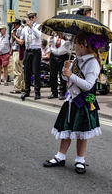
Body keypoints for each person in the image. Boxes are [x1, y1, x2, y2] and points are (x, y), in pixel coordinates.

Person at [43, 32, 103, 175]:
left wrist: (71, 76)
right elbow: (68, 79)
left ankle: (80, 160)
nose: (73, 46)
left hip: (82, 102)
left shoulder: (92, 63)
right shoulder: (77, 59)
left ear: (82, 45)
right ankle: (60, 156)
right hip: (71, 100)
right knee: (66, 129)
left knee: (82, 133)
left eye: (75, 44)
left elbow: (88, 85)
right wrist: (66, 71)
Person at [21, 11, 42, 100]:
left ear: (35, 18)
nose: (30, 20)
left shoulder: (38, 26)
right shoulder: (24, 29)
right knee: (27, 71)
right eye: (29, 18)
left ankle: (37, 93)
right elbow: (22, 40)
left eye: (32, 18)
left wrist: (32, 27)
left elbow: (39, 35)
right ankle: (27, 91)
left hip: (36, 51)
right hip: (28, 51)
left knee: (36, 72)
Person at [48, 32, 71, 100]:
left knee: (62, 75)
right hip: (53, 56)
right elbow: (49, 41)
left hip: (63, 56)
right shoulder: (54, 35)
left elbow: (69, 43)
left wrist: (63, 37)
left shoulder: (67, 35)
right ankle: (54, 92)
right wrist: (52, 36)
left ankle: (62, 93)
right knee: (53, 75)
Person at [10, 19, 25, 94]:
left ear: (16, 24)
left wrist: (14, 36)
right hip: (20, 52)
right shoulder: (22, 29)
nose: (13, 26)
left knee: (17, 70)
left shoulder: (19, 30)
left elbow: (21, 42)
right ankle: (22, 87)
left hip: (18, 51)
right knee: (21, 70)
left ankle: (17, 88)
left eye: (14, 24)